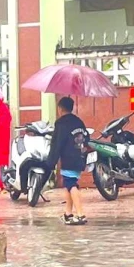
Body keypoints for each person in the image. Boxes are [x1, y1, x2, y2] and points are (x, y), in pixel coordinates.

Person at [47, 95, 90, 225]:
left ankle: (81, 214)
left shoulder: (61, 123)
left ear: (60, 109)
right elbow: (86, 138)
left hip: (68, 158)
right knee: (68, 184)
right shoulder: (79, 122)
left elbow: (57, 143)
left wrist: (51, 162)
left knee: (71, 184)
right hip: (80, 156)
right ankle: (68, 213)